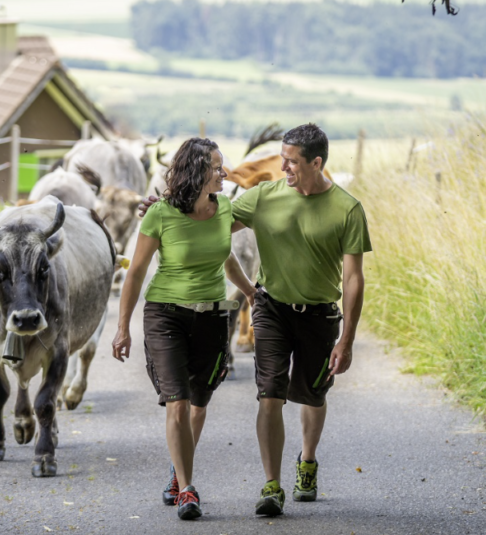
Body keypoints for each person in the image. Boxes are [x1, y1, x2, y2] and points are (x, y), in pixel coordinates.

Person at [142, 124, 371, 516]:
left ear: (317, 163)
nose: (282, 166)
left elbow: (353, 279)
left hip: (320, 314)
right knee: (270, 395)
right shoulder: (263, 197)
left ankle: (308, 460)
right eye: (281, 158)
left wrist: (346, 340)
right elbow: (206, 223)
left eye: (291, 161)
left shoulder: (347, 209)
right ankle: (272, 486)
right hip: (271, 309)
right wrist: (165, 208)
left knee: (313, 396)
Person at [112, 137, 256, 521]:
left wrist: (249, 291)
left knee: (198, 403)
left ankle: (178, 472)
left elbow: (224, 255)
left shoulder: (224, 208)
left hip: (212, 317)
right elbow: (137, 272)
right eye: (215, 167)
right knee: (176, 401)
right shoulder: (159, 215)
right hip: (165, 315)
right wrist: (123, 327)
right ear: (196, 171)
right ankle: (187, 489)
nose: (222, 173)